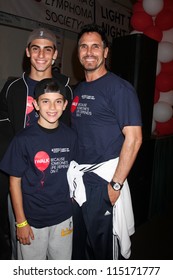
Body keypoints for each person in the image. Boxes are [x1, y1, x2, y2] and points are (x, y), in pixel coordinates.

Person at [68, 23, 143, 260]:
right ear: (78, 51)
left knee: (103, 256)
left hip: (103, 184)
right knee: (80, 251)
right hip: (79, 182)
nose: (89, 51)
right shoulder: (78, 89)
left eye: (95, 46)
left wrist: (115, 186)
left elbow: (135, 138)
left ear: (106, 51)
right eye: (84, 46)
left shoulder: (120, 89)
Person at [0, 27, 73, 259]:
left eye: (47, 49)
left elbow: (69, 138)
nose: (41, 55)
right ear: (28, 53)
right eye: (35, 49)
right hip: (21, 187)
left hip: (55, 194)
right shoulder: (12, 88)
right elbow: (4, 139)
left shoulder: (66, 89)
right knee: (22, 251)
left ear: (54, 55)